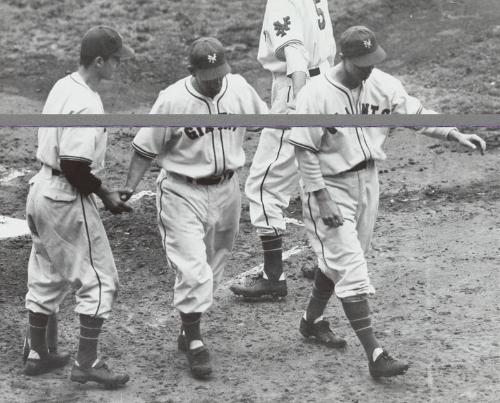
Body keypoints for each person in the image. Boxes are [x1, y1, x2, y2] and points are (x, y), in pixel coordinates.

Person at [289, 25, 487, 378]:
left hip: (368, 182)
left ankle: (311, 320)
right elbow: (303, 150)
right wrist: (321, 198)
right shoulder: (315, 94)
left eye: (372, 60)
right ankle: (376, 355)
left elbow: (413, 112)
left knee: (342, 260)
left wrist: (453, 131)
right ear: (343, 57)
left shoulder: (381, 84)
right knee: (351, 267)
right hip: (328, 187)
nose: (368, 68)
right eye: (361, 62)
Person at [121, 37, 268, 379]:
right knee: (192, 269)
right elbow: (145, 148)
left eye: (220, 72)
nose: (216, 81)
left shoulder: (238, 88)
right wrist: (130, 186)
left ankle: (189, 326)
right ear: (192, 71)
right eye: (209, 75)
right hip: (182, 191)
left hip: (228, 189)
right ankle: (196, 341)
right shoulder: (172, 99)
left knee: (215, 262)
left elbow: (267, 119)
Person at [24, 26, 134, 388]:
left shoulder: (63, 85)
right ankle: (88, 362)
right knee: (101, 279)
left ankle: (38, 353)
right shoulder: (87, 102)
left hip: (39, 190)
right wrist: (106, 194)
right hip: (64, 196)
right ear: (99, 61)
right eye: (116, 59)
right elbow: (74, 167)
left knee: (47, 269)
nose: (120, 65)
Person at [230, 0, 337, 299]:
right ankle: (330, 263)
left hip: (297, 89)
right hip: (327, 81)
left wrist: (301, 105)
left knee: (265, 184)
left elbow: (294, 55)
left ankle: (273, 277)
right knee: (317, 176)